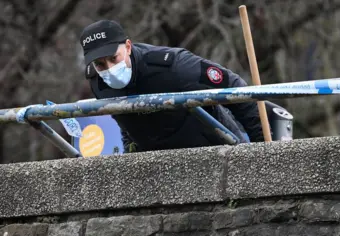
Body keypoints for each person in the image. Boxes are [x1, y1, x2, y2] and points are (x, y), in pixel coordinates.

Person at [79, 20, 266, 153]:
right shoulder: (97, 82)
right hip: (155, 163)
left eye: (114, 58)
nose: (109, 69)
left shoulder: (173, 65)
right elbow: (124, 120)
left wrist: (262, 149)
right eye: (100, 64)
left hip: (215, 147)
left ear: (128, 47)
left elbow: (234, 87)